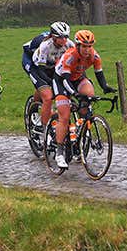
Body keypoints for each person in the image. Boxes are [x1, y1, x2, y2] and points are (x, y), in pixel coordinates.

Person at [51, 30, 115, 170]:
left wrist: (105, 87)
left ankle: (81, 134)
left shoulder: (94, 56)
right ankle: (59, 152)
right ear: (77, 45)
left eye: (90, 46)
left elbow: (99, 74)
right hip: (62, 81)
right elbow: (66, 80)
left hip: (78, 78)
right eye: (84, 46)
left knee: (89, 96)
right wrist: (74, 94)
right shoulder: (70, 56)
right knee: (64, 115)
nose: (87, 50)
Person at [22, 22, 72, 133]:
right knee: (47, 96)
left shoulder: (69, 45)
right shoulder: (45, 45)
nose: (64, 40)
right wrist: (51, 82)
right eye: (61, 37)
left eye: (66, 37)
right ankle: (44, 128)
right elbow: (40, 70)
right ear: (53, 37)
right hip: (32, 63)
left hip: (50, 64)